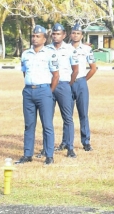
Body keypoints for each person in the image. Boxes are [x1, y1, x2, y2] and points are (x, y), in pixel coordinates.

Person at [16, 25, 59, 165]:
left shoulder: (50, 54)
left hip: (44, 91)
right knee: (29, 125)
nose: (34, 38)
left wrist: (48, 91)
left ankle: (49, 156)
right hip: (28, 91)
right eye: (33, 36)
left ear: (44, 39)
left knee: (47, 125)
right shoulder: (25, 54)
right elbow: (25, 72)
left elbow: (56, 75)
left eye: (38, 36)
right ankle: (27, 154)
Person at [44, 22, 79, 158]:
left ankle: (70, 148)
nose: (55, 36)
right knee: (47, 118)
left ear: (64, 35)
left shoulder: (70, 49)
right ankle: (46, 148)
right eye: (53, 34)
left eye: (58, 34)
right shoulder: (46, 49)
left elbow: (75, 70)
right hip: (48, 85)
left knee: (67, 118)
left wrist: (68, 84)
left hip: (63, 85)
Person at [69, 23, 96, 151]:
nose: (75, 35)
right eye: (73, 33)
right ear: (70, 34)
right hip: (67, 83)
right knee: (67, 115)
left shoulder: (86, 49)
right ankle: (66, 142)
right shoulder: (65, 48)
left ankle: (86, 142)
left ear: (82, 35)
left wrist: (83, 80)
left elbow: (93, 68)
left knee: (83, 113)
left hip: (80, 83)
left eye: (78, 33)